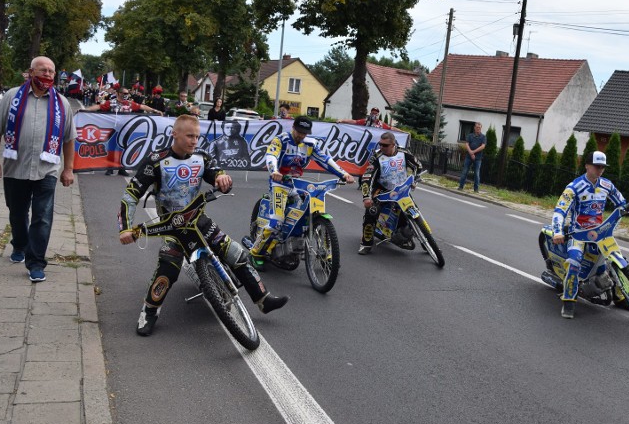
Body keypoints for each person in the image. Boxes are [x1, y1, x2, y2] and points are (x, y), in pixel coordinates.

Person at [118, 114, 288, 336]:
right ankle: (149, 311)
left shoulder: (202, 157)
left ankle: (263, 299)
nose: (194, 141)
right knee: (167, 269)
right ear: (174, 134)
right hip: (173, 228)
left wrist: (223, 180)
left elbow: (218, 175)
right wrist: (125, 228)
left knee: (237, 254)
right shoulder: (155, 161)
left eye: (197, 137)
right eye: (189, 136)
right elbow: (131, 195)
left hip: (199, 221)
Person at [0, 56, 76, 283]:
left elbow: (69, 139)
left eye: (51, 71)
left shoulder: (62, 104)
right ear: (31, 72)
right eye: (43, 70)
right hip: (15, 168)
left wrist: (68, 169)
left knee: (42, 217)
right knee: (17, 213)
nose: (47, 74)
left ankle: (36, 262)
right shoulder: (11, 97)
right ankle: (20, 243)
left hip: (47, 170)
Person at [249, 116, 355, 265]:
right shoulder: (281, 140)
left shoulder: (310, 144)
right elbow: (271, 155)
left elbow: (325, 159)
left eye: (304, 133)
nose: (301, 135)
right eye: (299, 132)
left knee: (309, 214)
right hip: (280, 184)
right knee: (277, 222)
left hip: (298, 185)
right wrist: (274, 171)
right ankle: (255, 252)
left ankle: (324, 252)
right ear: (293, 127)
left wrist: (343, 174)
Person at [551, 151, 626, 319]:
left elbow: (622, 203)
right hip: (578, 234)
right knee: (574, 262)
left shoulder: (607, 185)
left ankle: (621, 296)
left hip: (600, 233)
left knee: (617, 259)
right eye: (596, 166)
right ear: (587, 165)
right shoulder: (574, 187)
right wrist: (557, 231)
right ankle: (569, 301)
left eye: (602, 167)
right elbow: (560, 211)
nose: (599, 170)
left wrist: (618, 218)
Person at [358, 131, 421, 254]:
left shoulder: (404, 153)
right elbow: (367, 178)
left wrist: (415, 180)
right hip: (381, 189)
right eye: (380, 144)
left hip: (401, 188)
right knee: (372, 211)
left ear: (393, 144)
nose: (381, 147)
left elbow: (418, 166)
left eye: (385, 145)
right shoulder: (376, 157)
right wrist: (366, 197)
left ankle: (425, 240)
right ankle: (366, 243)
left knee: (413, 210)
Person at [83, 85, 162, 175]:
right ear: (118, 93)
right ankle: (110, 168)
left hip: (126, 130)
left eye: (127, 93)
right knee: (112, 148)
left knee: (123, 149)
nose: (126, 95)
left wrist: (155, 111)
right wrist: (85, 110)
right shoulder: (111, 103)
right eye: (124, 93)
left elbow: (142, 107)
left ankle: (122, 168)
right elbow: (98, 107)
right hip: (114, 129)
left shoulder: (129, 104)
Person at [458, 122, 486, 192]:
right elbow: (467, 144)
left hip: (478, 158)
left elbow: (483, 146)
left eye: (479, 127)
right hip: (468, 157)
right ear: (474, 128)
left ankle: (476, 189)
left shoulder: (483, 137)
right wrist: (470, 152)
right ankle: (461, 186)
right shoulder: (470, 135)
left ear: (481, 128)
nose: (478, 129)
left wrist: (473, 152)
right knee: (465, 171)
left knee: (476, 173)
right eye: (477, 127)